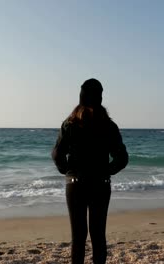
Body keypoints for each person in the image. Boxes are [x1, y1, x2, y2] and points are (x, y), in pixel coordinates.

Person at [52, 78, 129, 264]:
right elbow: (122, 158)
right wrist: (107, 171)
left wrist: (66, 171)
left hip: (75, 184)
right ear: (100, 98)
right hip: (100, 184)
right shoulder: (109, 126)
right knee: (98, 235)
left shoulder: (69, 124)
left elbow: (57, 154)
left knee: (78, 236)